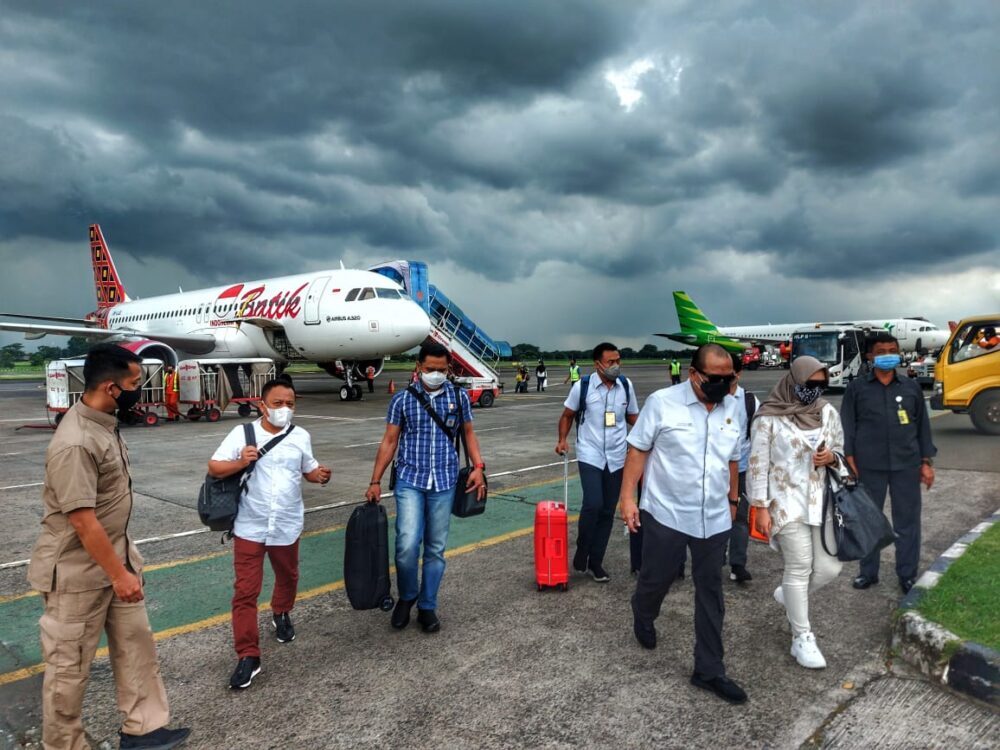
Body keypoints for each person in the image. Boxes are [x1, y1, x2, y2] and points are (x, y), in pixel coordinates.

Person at [27, 343, 190, 750]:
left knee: (136, 647)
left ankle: (144, 729)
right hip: (77, 573)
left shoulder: (103, 423)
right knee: (69, 668)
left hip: (116, 557)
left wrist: (122, 567)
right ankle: (64, 744)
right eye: (134, 383)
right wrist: (119, 576)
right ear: (111, 387)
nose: (140, 390)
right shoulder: (76, 442)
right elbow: (82, 520)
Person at [620, 343, 747, 705]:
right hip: (667, 513)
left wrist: (734, 499)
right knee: (655, 579)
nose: (723, 385)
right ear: (694, 374)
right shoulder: (662, 402)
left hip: (715, 516)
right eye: (715, 379)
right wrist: (628, 498)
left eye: (730, 378)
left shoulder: (733, 406)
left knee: (711, 592)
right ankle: (643, 611)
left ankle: (708, 670)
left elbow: (734, 458)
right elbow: (638, 450)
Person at [208, 376, 332, 690]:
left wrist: (318, 475)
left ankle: (281, 611)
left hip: (287, 523)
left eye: (290, 404)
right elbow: (214, 467)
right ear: (262, 405)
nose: (284, 409)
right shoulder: (243, 433)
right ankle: (248, 655)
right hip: (250, 524)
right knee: (245, 592)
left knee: (288, 575)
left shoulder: (301, 435)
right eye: (277, 403)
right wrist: (239, 461)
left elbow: (308, 467)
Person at [366, 342, 487, 633]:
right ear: (419, 367)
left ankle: (427, 606)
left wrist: (479, 468)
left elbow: (468, 434)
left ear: (450, 369)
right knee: (407, 545)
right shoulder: (403, 400)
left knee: (435, 548)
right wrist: (375, 480)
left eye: (441, 369)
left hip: (444, 482)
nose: (435, 374)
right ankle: (408, 596)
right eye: (430, 369)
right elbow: (390, 441)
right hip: (410, 480)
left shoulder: (459, 398)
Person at [748, 355, 847, 669]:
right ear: (794, 381)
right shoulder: (769, 418)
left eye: (821, 384)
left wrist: (831, 457)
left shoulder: (828, 413)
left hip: (821, 502)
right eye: (809, 384)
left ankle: (787, 595)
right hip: (784, 503)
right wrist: (760, 507)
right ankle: (801, 637)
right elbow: (757, 465)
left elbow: (842, 452)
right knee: (800, 565)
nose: (815, 390)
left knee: (830, 568)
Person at [841, 332, 936, 594]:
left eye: (892, 350)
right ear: (870, 356)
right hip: (868, 466)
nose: (887, 355)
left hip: (907, 465)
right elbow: (848, 426)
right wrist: (850, 461)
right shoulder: (857, 388)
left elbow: (922, 428)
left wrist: (925, 462)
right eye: (881, 351)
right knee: (870, 520)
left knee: (908, 522)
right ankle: (867, 572)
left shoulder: (910, 388)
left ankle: (907, 574)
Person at [555, 343, 639, 582]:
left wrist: (651, 434)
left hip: (617, 455)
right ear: (597, 364)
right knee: (593, 503)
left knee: (606, 510)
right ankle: (583, 548)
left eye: (618, 361)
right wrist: (562, 440)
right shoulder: (582, 386)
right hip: (590, 454)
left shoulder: (625, 385)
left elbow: (633, 416)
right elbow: (567, 415)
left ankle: (596, 562)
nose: (616, 366)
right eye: (611, 362)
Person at [727, 353, 760, 584]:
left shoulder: (749, 402)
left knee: (739, 517)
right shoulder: (707, 398)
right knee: (711, 515)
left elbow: (759, 437)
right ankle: (713, 556)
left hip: (741, 468)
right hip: (713, 470)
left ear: (738, 373)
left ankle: (738, 564)